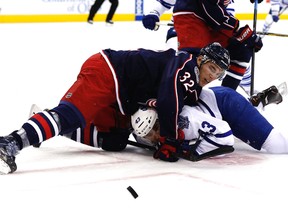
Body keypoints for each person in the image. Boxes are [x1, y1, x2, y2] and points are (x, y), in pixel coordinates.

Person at [0, 42, 230, 174]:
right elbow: (170, 100)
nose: (212, 76)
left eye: (218, 74)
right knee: (69, 115)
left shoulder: (193, 83)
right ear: (201, 59)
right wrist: (169, 139)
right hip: (108, 71)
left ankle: (41, 124)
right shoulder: (187, 66)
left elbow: (169, 101)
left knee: (114, 140)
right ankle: (11, 142)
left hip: (123, 97)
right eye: (212, 68)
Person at [131, 85, 287, 162]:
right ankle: (254, 103)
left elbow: (224, 135)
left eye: (155, 129)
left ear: (159, 119)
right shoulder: (145, 126)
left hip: (228, 106)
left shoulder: (185, 120)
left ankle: (249, 106)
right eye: (148, 136)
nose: (154, 137)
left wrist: (189, 150)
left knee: (278, 147)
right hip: (210, 100)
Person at [142, 0, 263, 93]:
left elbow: (223, 17)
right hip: (184, 26)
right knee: (183, 64)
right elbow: (164, 3)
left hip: (211, 24)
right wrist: (154, 13)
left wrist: (239, 35)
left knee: (232, 52)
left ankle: (234, 93)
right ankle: (167, 93)